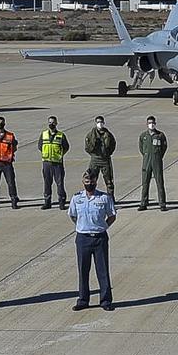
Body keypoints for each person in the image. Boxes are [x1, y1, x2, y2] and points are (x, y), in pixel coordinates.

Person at [68, 169, 116, 311]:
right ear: (83, 182)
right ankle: (83, 300)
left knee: (102, 270)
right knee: (83, 270)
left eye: (92, 181)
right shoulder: (77, 198)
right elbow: (72, 215)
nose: (90, 183)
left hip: (99, 238)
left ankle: (106, 300)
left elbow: (112, 216)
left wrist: (102, 227)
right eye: (87, 181)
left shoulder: (104, 198)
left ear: (96, 181)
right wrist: (83, 226)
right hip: (83, 238)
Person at [139, 116, 169, 211]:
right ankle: (143, 202)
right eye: (149, 123)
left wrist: (159, 156)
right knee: (145, 182)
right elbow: (141, 148)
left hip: (157, 160)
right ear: (147, 124)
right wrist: (146, 155)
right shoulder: (143, 136)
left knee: (159, 182)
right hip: (146, 160)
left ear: (155, 123)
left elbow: (164, 147)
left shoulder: (160, 135)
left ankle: (162, 203)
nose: (151, 124)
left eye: (152, 123)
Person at [38, 116, 69, 210]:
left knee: (59, 183)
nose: (51, 124)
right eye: (50, 122)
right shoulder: (43, 134)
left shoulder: (61, 135)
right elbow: (40, 146)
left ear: (56, 123)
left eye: (53, 122)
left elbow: (66, 147)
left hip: (57, 163)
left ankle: (61, 201)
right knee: (47, 183)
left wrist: (60, 155)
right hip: (47, 163)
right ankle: (47, 202)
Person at [84, 116, 116, 192]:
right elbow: (87, 147)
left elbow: (113, 145)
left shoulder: (108, 134)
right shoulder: (91, 135)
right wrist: (93, 154)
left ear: (104, 123)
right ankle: (91, 196)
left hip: (105, 160)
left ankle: (111, 199)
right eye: (98, 122)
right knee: (91, 180)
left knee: (109, 182)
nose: (100, 124)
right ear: (95, 123)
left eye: (101, 122)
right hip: (95, 160)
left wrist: (108, 153)